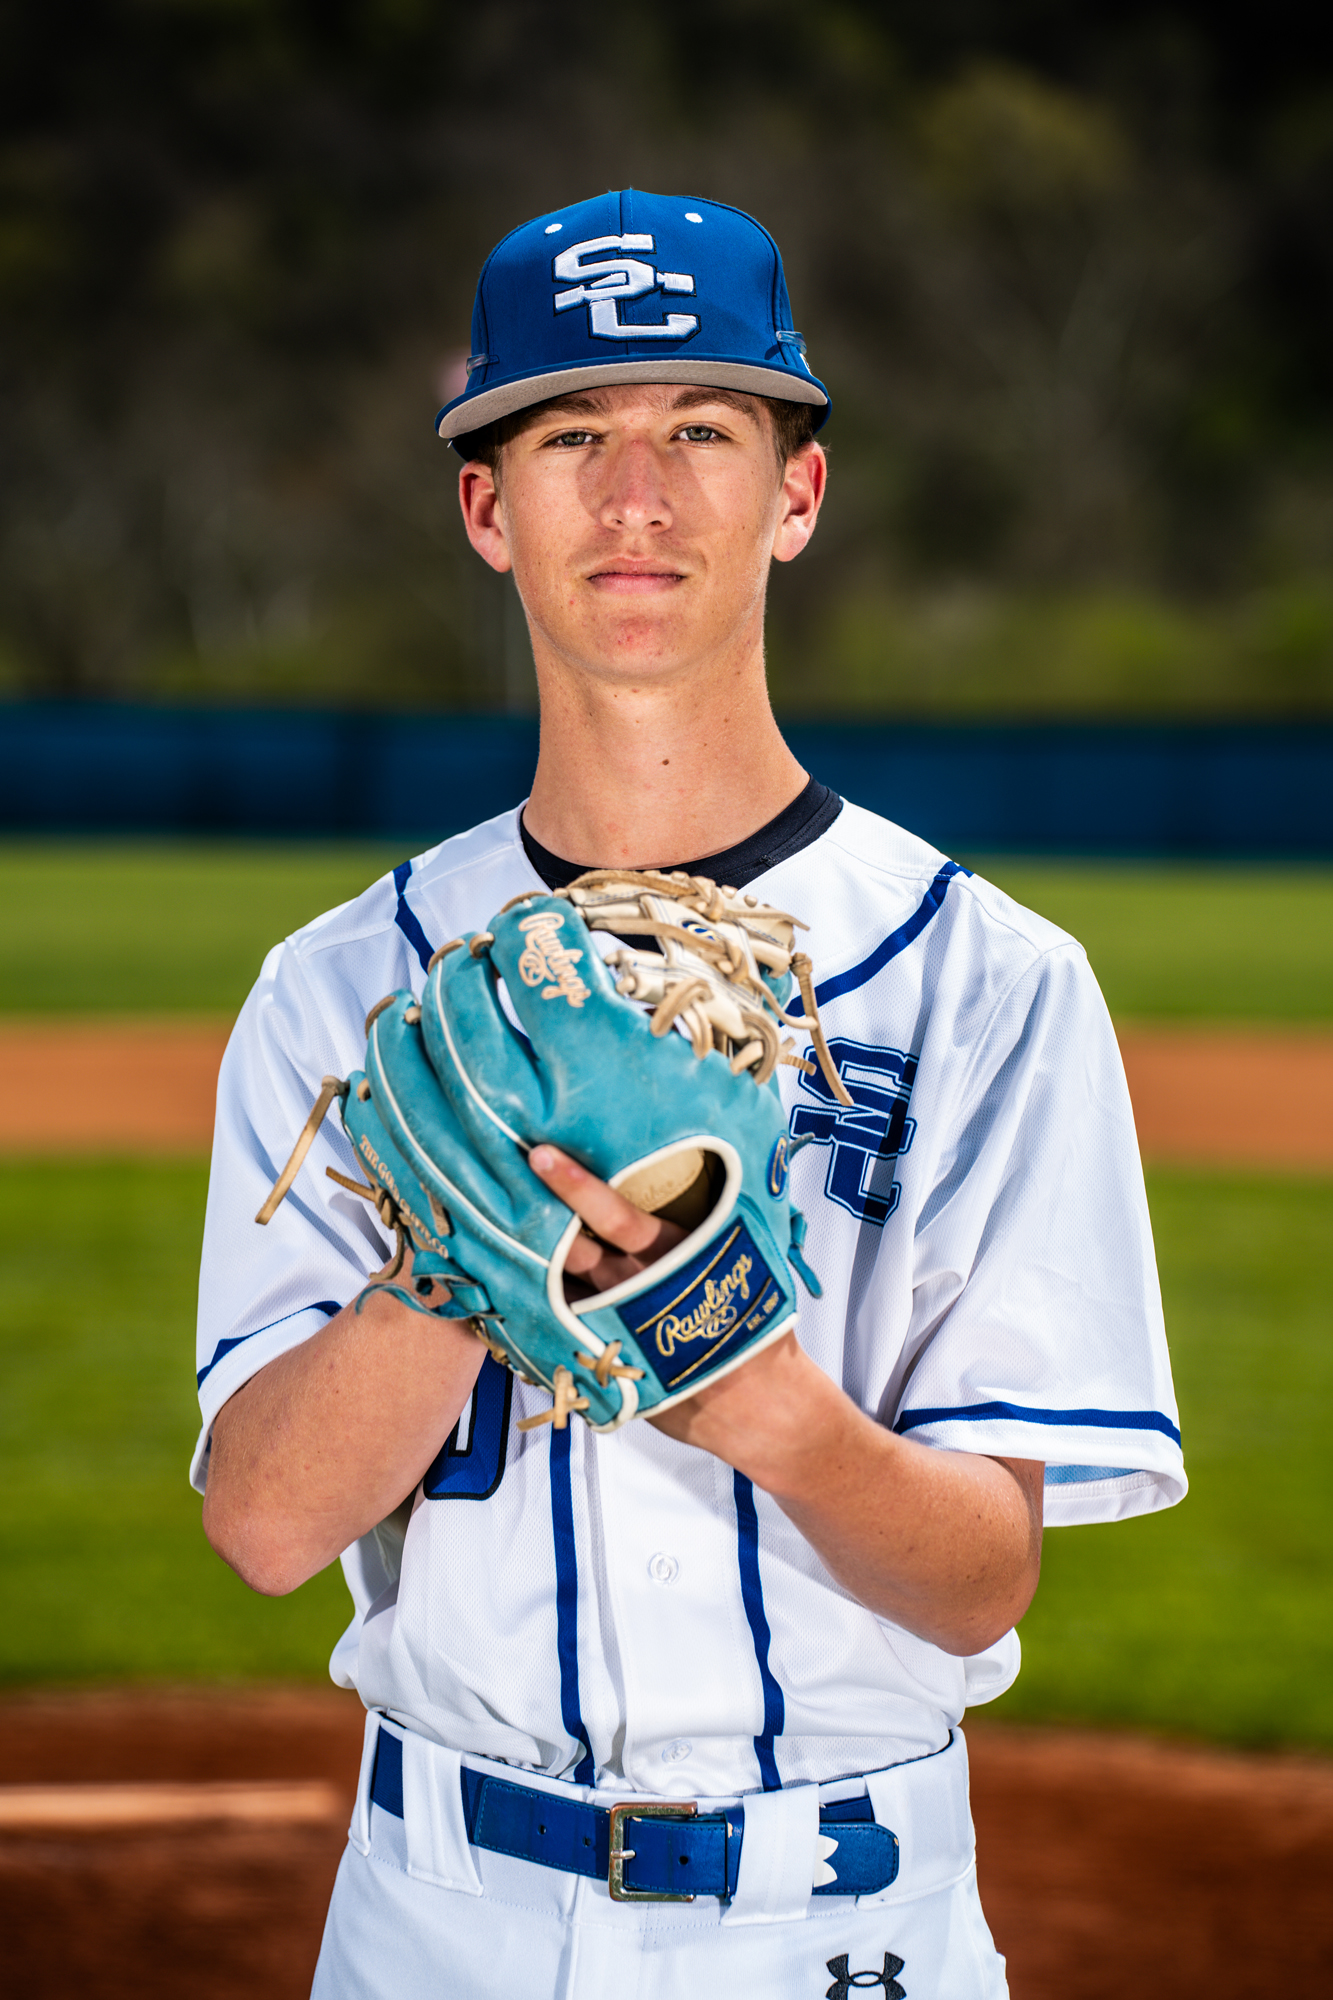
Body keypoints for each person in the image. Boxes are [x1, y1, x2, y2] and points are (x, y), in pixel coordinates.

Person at [194, 189, 1185, 1999]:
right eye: (571, 436)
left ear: (796, 495)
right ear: (487, 509)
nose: (635, 497)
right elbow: (263, 1527)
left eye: (702, 432)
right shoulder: (350, 989)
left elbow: (980, 1581)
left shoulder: (984, 981)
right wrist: (462, 1255)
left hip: (842, 1922)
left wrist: (769, 1406)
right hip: (440, 1923)